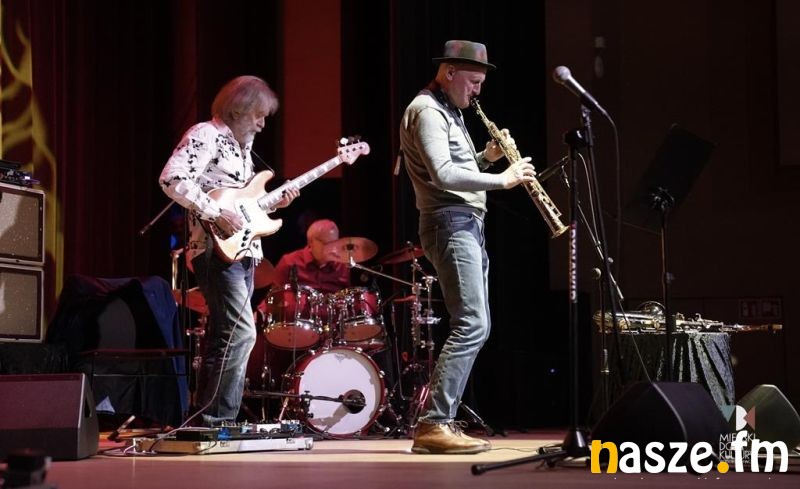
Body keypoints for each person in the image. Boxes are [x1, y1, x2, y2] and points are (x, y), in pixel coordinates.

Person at [399, 40, 538, 454]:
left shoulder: (449, 111)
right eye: (473, 81)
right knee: (472, 324)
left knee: (478, 324)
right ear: (449, 73)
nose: (477, 91)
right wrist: (504, 180)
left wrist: (487, 157)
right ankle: (433, 423)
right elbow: (443, 175)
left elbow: (458, 169)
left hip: (464, 222)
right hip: (450, 222)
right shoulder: (427, 111)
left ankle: (438, 421)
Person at [160, 75, 300, 426]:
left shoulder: (243, 150)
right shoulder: (206, 134)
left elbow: (243, 208)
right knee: (241, 332)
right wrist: (214, 211)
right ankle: (218, 419)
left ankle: (206, 420)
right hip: (214, 249)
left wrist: (275, 204)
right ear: (238, 109)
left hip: (244, 250)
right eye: (258, 115)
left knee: (225, 336)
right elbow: (172, 178)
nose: (263, 124)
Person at [271, 219, 350, 295]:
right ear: (310, 242)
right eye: (326, 244)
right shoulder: (289, 262)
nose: (332, 249)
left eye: (335, 243)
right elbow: (275, 297)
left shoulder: (341, 265)